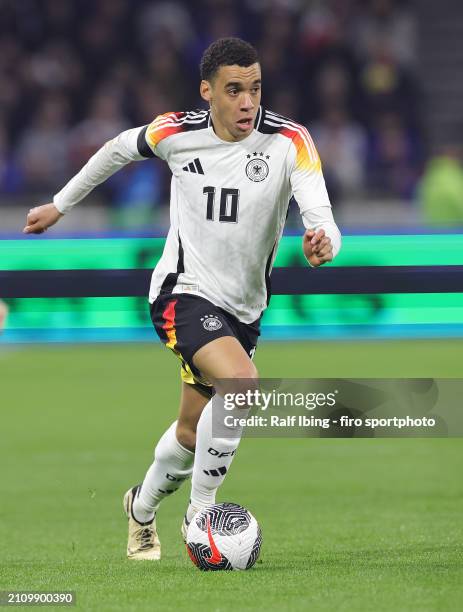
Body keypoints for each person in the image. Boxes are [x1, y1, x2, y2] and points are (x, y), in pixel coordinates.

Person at [23, 38, 342, 561]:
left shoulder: (289, 141)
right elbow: (116, 149)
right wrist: (60, 205)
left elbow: (320, 212)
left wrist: (323, 238)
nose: (247, 103)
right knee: (240, 385)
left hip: (244, 311)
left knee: (193, 434)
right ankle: (202, 516)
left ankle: (140, 510)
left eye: (255, 89)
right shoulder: (176, 131)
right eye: (234, 91)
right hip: (182, 292)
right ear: (207, 91)